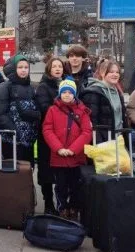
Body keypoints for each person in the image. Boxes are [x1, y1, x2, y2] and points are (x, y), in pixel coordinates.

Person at [41, 79, 93, 220]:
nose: (67, 95)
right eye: (64, 92)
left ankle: (74, 209)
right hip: (59, 157)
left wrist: (73, 149)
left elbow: (87, 132)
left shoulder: (82, 111)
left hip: (76, 157)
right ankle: (62, 209)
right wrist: (58, 148)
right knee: (60, 186)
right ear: (60, 94)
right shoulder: (52, 110)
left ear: (75, 95)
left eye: (70, 92)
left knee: (76, 186)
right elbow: (47, 130)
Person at [0, 55, 40, 164]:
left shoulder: (31, 87)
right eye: (20, 67)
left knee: (27, 170)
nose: (23, 70)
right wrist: (15, 132)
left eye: (26, 67)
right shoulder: (5, 87)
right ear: (14, 68)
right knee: (12, 173)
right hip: (11, 140)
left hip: (29, 140)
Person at [34, 57, 66, 215]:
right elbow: (45, 109)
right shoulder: (43, 87)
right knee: (46, 170)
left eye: (60, 66)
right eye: (54, 66)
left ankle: (62, 203)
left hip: (65, 136)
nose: (58, 69)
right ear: (49, 69)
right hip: (47, 135)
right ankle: (48, 202)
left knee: (62, 171)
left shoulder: (67, 85)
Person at [80, 59, 127, 144]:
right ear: (102, 73)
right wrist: (99, 143)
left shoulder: (117, 92)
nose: (115, 74)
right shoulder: (93, 93)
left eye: (117, 72)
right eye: (111, 72)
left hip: (118, 139)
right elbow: (92, 121)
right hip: (103, 142)